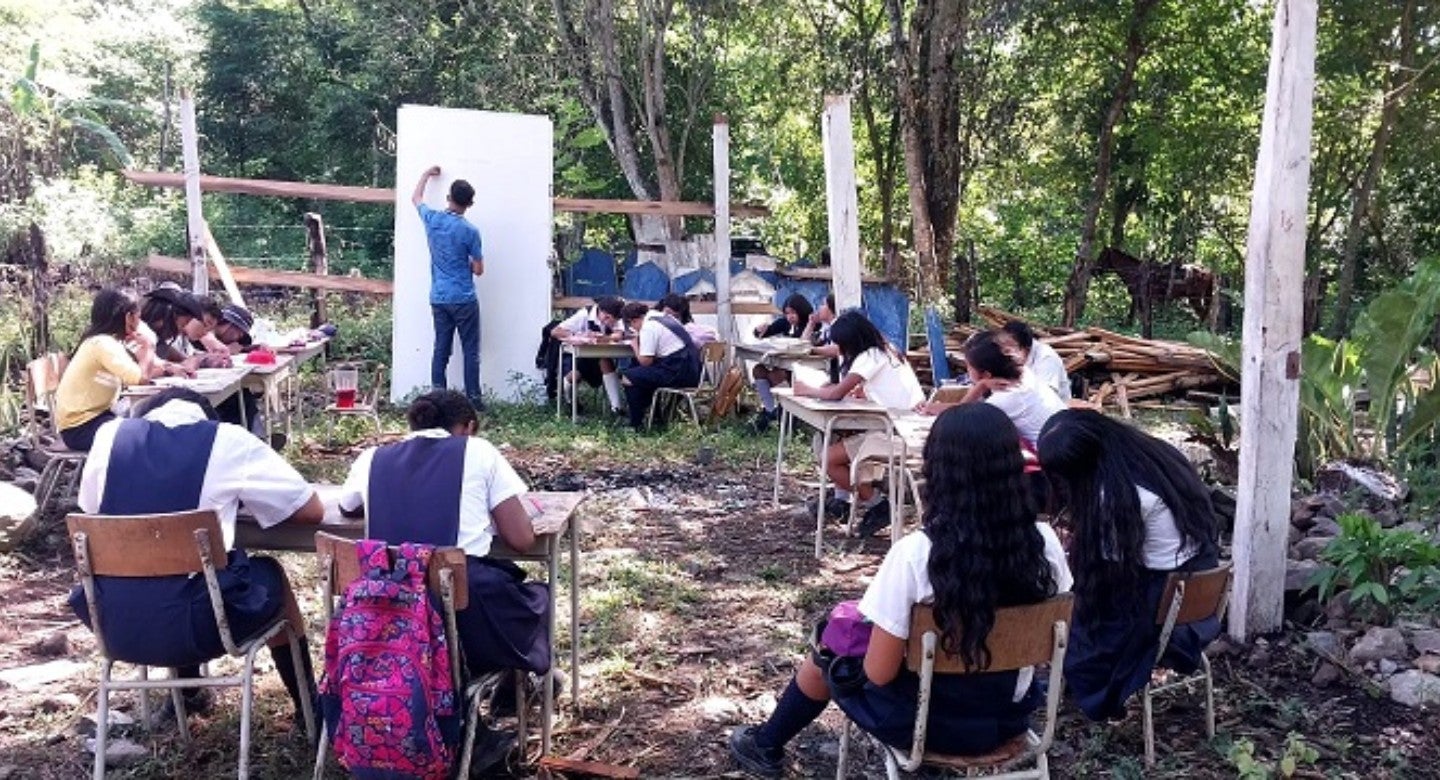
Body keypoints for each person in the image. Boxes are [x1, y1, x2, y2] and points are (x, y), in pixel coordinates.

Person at [729, 404, 1072, 778]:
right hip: (1007, 719)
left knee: (830, 647)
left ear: (937, 470)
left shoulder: (916, 554)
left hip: (923, 726)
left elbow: (878, 673)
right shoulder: (1046, 544)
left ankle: (767, 744)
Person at [68, 388, 324, 726]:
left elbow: (91, 509)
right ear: (207, 418)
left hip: (112, 624)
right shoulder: (228, 439)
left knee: (169, 574)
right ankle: (309, 708)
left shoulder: (109, 436)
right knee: (267, 573)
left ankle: (188, 696)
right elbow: (311, 510)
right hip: (201, 628)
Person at [337, 390, 550, 737]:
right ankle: (511, 693)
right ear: (469, 427)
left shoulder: (373, 458)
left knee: (477, 591)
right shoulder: (478, 451)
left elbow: (347, 507)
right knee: (534, 598)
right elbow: (522, 539)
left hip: (388, 620)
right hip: (460, 621)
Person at [1036, 409, 1221, 722]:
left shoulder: (1117, 496)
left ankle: (1089, 690)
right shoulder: (1156, 454)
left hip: (1163, 605)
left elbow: (1106, 576)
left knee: (1075, 616)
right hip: (1200, 580)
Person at [794, 310, 924, 536]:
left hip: (895, 432)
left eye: (841, 344)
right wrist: (865, 392)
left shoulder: (869, 357)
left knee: (828, 458)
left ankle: (877, 504)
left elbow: (836, 394)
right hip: (902, 425)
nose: (840, 349)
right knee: (834, 437)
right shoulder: (886, 350)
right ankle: (842, 501)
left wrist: (807, 389)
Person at [54, 288, 171, 450]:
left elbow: (138, 369)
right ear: (128, 317)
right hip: (82, 428)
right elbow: (140, 379)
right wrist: (149, 347)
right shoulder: (103, 344)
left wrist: (169, 367)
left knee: (147, 425)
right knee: (148, 433)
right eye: (138, 317)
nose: (139, 324)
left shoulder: (102, 342)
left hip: (89, 422)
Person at [414, 165, 486, 410]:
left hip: (439, 297)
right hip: (464, 298)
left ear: (448, 197)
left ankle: (437, 399)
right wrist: (467, 262)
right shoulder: (470, 231)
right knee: (470, 351)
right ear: (470, 204)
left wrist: (426, 175)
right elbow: (478, 269)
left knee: (441, 349)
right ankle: (474, 400)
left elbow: (416, 199)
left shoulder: (432, 219)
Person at [922, 330, 1065, 448]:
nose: (967, 370)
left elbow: (962, 417)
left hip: (1052, 461)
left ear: (986, 374)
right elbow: (965, 409)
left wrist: (936, 408)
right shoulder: (1024, 374)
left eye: (968, 366)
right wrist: (982, 385)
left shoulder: (1005, 398)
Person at [619, 301, 702, 430]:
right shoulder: (665, 317)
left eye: (632, 326)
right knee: (641, 374)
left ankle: (636, 423)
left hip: (677, 373)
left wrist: (635, 345)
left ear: (634, 321)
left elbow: (645, 361)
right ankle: (655, 415)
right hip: (693, 371)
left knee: (628, 377)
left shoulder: (648, 327)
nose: (634, 329)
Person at [750, 293, 815, 431]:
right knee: (758, 370)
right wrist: (758, 330)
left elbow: (804, 344)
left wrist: (810, 325)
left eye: (793, 313)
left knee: (776, 375)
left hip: (803, 368)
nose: (790, 317)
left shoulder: (811, 324)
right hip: (785, 363)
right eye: (787, 313)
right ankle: (770, 410)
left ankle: (788, 412)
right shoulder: (785, 323)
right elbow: (767, 332)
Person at [550, 296, 626, 414]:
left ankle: (616, 408)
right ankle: (569, 400)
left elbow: (619, 334)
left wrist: (605, 337)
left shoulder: (615, 315)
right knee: (574, 376)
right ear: (602, 312)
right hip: (577, 355)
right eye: (607, 318)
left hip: (599, 354)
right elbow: (555, 331)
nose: (608, 322)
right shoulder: (584, 314)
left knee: (606, 360)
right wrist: (579, 337)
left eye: (612, 320)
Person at [141, 282, 207, 367]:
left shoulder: (157, 339)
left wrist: (184, 359)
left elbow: (163, 348)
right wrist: (172, 367)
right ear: (166, 316)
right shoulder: (141, 336)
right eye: (183, 324)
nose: (181, 330)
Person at [1002, 321, 1071, 402]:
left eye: (1010, 349)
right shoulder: (1008, 355)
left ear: (1026, 348)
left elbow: (1046, 396)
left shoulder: (1046, 358)